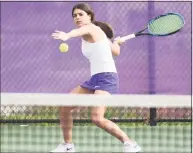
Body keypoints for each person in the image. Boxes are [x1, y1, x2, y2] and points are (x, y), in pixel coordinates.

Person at [50, 2, 141, 153]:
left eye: (81, 14)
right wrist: (116, 42)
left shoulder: (91, 28)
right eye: (74, 15)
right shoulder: (100, 35)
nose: (77, 18)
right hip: (95, 79)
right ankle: (68, 146)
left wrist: (67, 35)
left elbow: (79, 31)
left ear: (89, 16)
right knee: (65, 106)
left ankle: (130, 143)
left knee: (97, 118)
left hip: (107, 79)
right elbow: (116, 51)